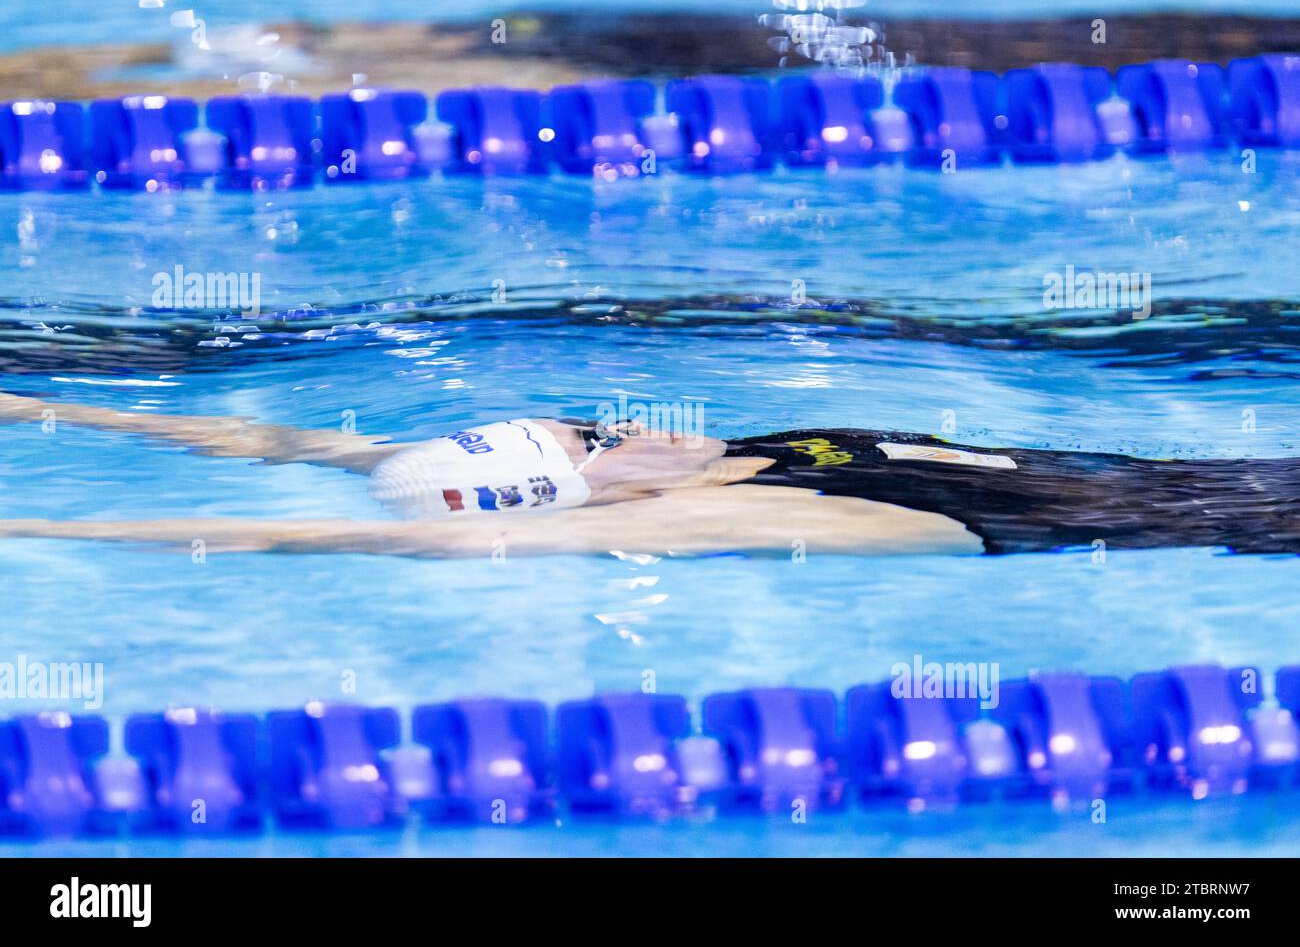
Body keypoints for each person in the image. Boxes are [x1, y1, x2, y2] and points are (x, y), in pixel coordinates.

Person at [0, 389, 1294, 559]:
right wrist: (43, 521)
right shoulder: (740, 506)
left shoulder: (747, 451)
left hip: (1219, 474)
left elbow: (298, 445)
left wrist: (44, 404)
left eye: (589, 420)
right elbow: (426, 537)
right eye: (595, 448)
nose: (622, 433)